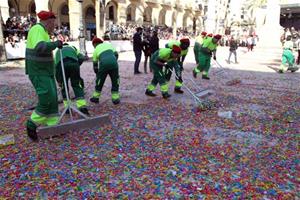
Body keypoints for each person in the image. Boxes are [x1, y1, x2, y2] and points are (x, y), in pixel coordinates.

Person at [25, 10, 63, 141]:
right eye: (53, 23)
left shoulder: (44, 32)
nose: (55, 26)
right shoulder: (37, 29)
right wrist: (55, 44)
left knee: (53, 100)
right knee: (46, 99)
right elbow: (40, 47)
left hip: (45, 72)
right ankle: (32, 124)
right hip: (38, 71)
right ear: (49, 21)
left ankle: (52, 129)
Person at [54, 43, 89, 115]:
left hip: (61, 66)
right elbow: (81, 57)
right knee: (77, 85)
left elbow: (55, 67)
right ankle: (82, 107)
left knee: (64, 87)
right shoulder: (73, 47)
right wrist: (76, 65)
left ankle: (67, 108)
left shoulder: (57, 51)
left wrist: (59, 81)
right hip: (73, 64)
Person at [90, 37, 120, 104]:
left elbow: (95, 64)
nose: (93, 47)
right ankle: (115, 98)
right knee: (115, 80)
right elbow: (116, 54)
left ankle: (96, 97)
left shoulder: (96, 50)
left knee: (100, 81)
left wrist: (97, 72)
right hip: (114, 64)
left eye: (93, 45)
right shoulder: (108, 45)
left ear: (95, 44)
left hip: (104, 65)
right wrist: (113, 61)